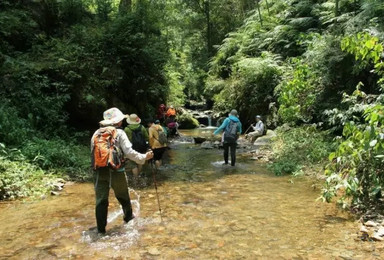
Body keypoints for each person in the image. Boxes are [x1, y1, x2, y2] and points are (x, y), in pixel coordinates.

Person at [91, 107, 153, 234]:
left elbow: (93, 154)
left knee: (101, 200)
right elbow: (129, 152)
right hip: (116, 171)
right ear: (118, 121)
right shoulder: (119, 133)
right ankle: (129, 218)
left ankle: (100, 230)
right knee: (123, 195)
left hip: (99, 171)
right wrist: (144, 157)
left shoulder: (96, 133)